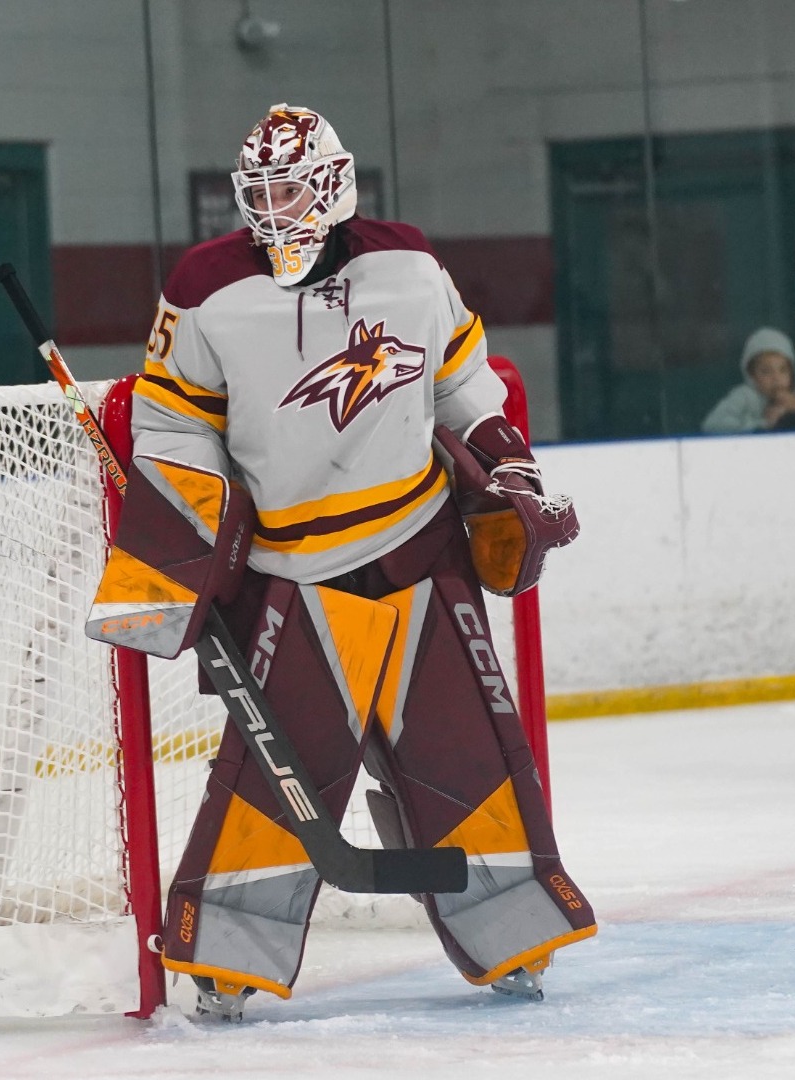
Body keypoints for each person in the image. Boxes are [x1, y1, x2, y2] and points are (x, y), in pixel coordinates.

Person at [84, 104, 595, 1019]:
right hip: (293, 574)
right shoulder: (204, 285)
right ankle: (230, 963)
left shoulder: (407, 263)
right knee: (275, 781)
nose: (272, 208)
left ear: (333, 184)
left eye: (290, 187)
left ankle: (517, 936)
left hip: (421, 554)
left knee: (469, 754)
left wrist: (508, 461)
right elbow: (172, 425)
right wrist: (188, 539)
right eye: (259, 192)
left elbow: (462, 383)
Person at [702, 327, 795, 434]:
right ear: (752, 375)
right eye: (766, 371)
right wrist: (765, 425)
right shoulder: (744, 396)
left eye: (783, 370)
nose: (776, 378)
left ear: (792, 372)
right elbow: (712, 425)